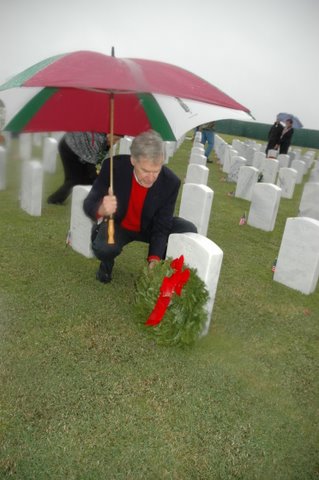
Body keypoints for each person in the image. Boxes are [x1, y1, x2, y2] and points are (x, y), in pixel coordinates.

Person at [83, 130, 197, 283]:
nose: (151, 178)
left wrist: (154, 258)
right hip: (119, 224)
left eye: (156, 171)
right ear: (133, 160)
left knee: (187, 229)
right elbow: (89, 203)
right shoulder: (112, 168)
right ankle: (106, 262)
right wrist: (102, 209)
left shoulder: (170, 182)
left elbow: (162, 225)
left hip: (149, 225)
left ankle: (162, 270)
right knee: (104, 249)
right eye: (145, 170)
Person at [47, 132, 121, 204]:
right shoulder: (97, 141)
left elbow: (100, 159)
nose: (116, 142)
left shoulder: (106, 141)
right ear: (109, 135)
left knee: (84, 179)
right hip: (69, 147)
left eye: (118, 140)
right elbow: (91, 170)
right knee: (75, 180)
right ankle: (53, 200)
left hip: (79, 149)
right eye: (115, 139)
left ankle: (88, 200)